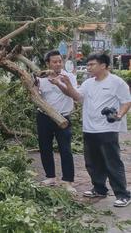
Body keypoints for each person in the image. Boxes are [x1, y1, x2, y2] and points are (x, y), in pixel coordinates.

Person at [52, 53, 131, 207]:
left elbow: (126, 102)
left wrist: (119, 114)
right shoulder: (88, 83)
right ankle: (99, 188)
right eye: (87, 65)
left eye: (91, 64)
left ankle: (122, 194)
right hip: (89, 128)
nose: (88, 67)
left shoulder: (117, 82)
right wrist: (63, 84)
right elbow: (76, 96)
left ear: (103, 65)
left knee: (112, 162)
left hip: (108, 128)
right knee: (92, 162)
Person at [35, 50, 77, 192]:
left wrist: (58, 82)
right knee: (45, 147)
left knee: (65, 150)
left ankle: (68, 181)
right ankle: (50, 177)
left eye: (60, 61)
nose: (58, 64)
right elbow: (36, 96)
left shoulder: (69, 76)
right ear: (48, 63)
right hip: (44, 117)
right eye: (55, 61)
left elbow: (72, 94)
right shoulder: (41, 79)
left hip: (63, 118)